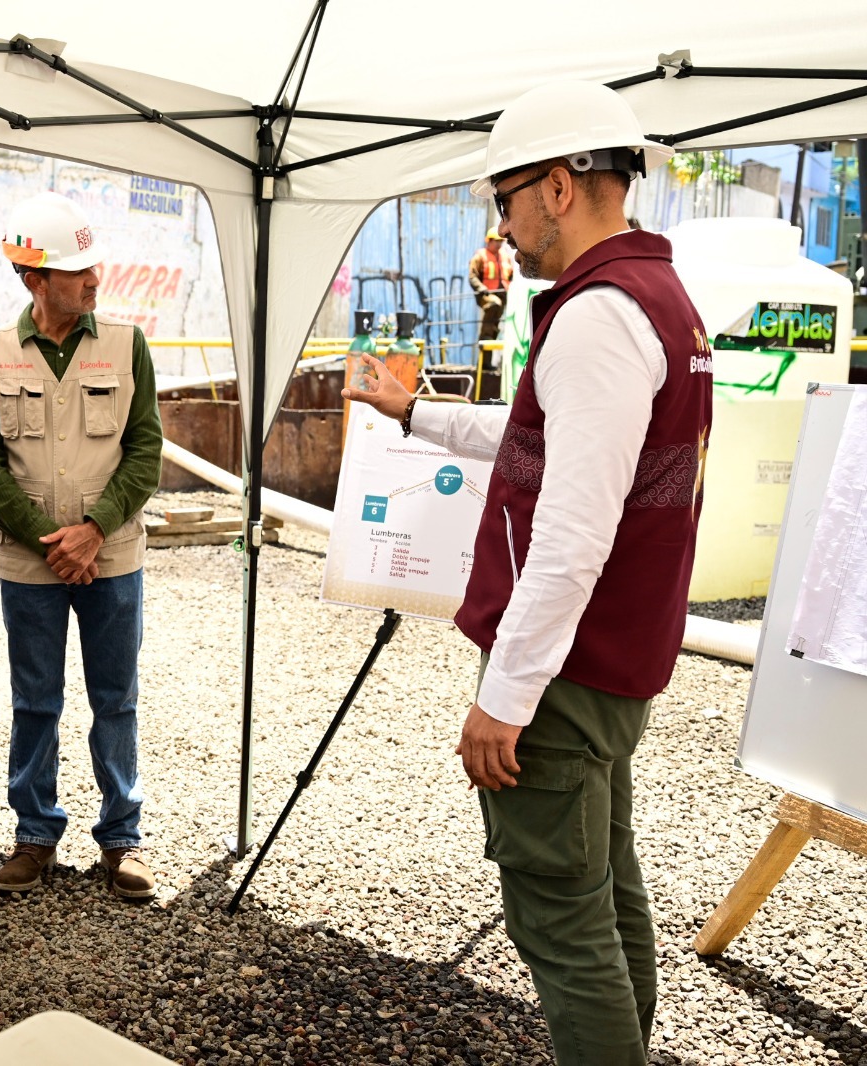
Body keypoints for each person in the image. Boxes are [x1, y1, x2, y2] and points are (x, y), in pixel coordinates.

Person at [344, 81, 712, 1066]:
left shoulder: (597, 314)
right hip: (613, 662)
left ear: (557, 186)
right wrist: (416, 413)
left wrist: (504, 695)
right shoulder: (658, 300)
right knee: (603, 886)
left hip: (563, 672)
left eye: (502, 200)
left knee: (559, 916)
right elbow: (548, 440)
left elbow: (571, 533)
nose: (498, 228)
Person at [0, 191, 164, 900]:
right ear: (32, 278)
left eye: (93, 265)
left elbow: (146, 452)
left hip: (110, 557)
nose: (93, 278)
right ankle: (35, 836)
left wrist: (93, 530)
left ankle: (122, 839)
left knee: (117, 698)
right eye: (75, 269)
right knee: (35, 700)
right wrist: (48, 542)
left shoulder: (126, 345)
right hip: (29, 564)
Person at [469, 227, 511, 344]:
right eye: (496, 241)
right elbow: (472, 276)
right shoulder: (480, 256)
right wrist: (481, 288)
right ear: (489, 241)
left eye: (501, 241)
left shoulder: (505, 257)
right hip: (485, 294)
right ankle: (484, 338)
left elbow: (510, 274)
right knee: (493, 304)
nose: (499, 244)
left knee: (495, 324)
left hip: (502, 295)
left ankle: (486, 360)